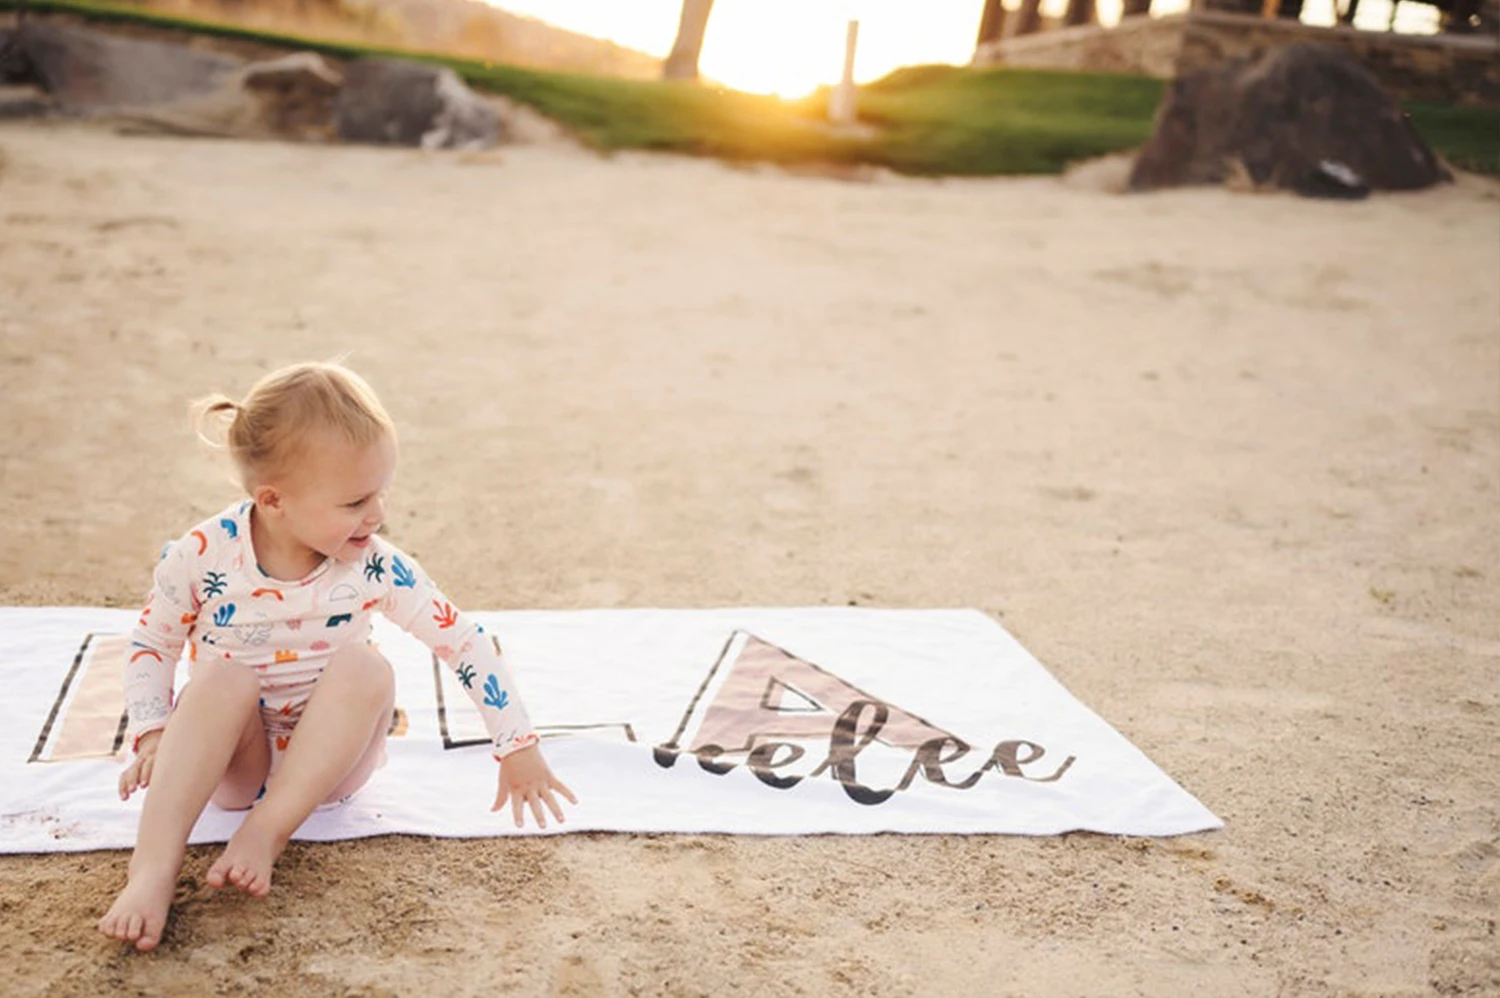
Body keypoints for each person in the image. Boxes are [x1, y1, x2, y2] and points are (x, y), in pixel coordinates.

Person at [98, 361, 575, 952]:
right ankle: (151, 873)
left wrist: (517, 744)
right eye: (355, 501)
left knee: (365, 668)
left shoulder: (372, 563)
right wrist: (150, 732)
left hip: (330, 765)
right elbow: (153, 642)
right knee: (221, 680)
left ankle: (265, 835)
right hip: (234, 763)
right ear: (273, 500)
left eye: (381, 493)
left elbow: (464, 640)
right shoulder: (202, 555)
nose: (377, 516)